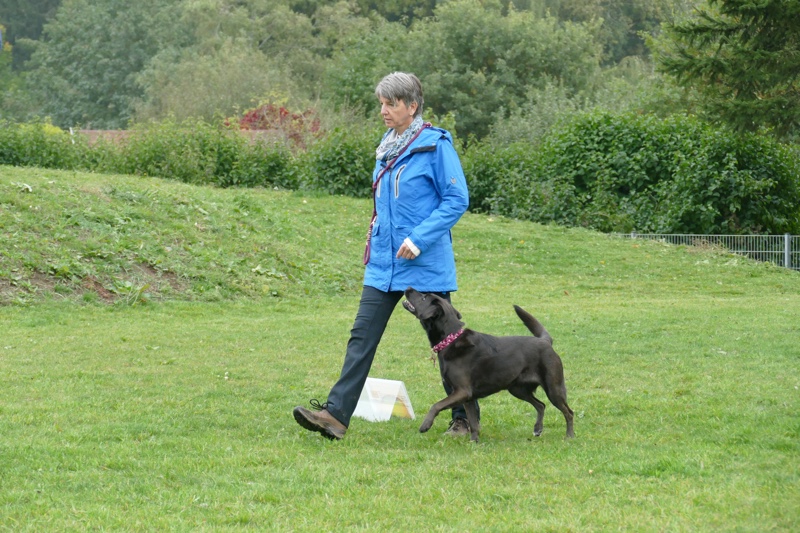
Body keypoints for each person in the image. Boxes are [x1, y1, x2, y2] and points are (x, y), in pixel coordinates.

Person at [292, 71, 478, 440]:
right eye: (381, 103)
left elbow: (457, 199)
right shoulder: (386, 146)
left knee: (448, 345)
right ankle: (335, 416)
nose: (384, 110)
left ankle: (463, 419)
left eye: (391, 104)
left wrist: (419, 238)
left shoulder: (435, 146)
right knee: (361, 337)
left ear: (413, 106)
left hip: (424, 264)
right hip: (384, 264)